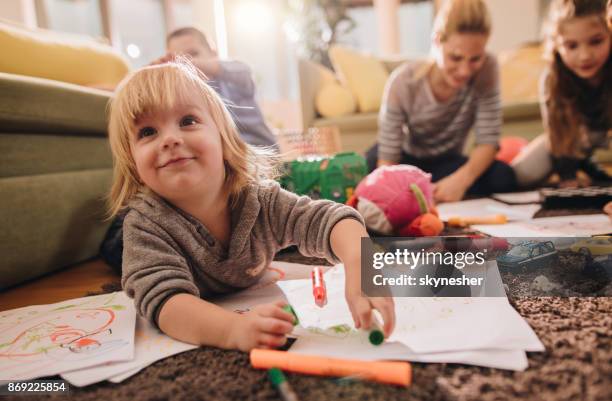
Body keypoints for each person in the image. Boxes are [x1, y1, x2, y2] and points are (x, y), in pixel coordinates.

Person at [106, 59, 395, 351]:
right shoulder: (145, 225)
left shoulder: (260, 199)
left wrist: (360, 264)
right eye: (147, 132)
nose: (169, 139)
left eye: (187, 121)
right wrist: (233, 329)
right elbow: (164, 302)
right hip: (130, 235)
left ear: (224, 137)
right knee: (115, 248)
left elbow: (331, 218)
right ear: (131, 162)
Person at [366, 0, 516, 202]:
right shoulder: (403, 82)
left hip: (447, 163)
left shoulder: (487, 69)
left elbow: (488, 141)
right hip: (404, 159)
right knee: (367, 172)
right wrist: (394, 192)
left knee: (504, 177)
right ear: (437, 41)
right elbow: (388, 157)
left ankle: (430, 189)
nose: (465, 71)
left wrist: (459, 182)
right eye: (455, 57)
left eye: (475, 59)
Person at [512, 0, 611, 188]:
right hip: (571, 139)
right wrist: (568, 176)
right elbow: (558, 135)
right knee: (519, 175)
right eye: (572, 46)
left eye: (596, 42)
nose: (585, 56)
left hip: (604, 133)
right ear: (556, 45)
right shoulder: (552, 79)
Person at [153, 27, 277, 148]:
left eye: (192, 54)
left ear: (213, 53)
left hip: (261, 155)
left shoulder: (236, 76)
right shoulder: (182, 96)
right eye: (176, 58)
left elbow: (243, 70)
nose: (183, 63)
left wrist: (183, 63)